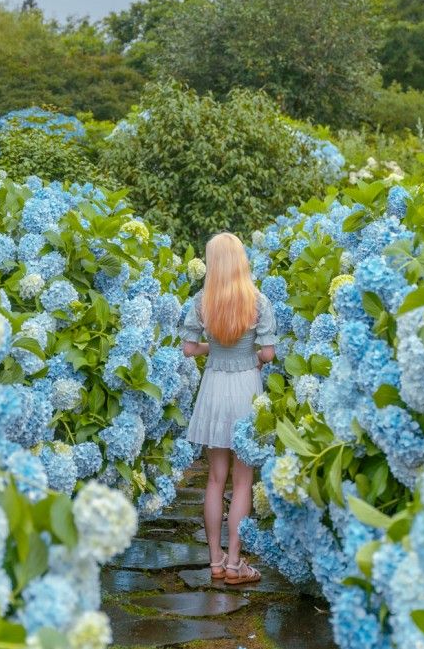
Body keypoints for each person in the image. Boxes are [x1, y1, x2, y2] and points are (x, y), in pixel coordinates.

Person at [180, 232, 277, 585]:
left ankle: (215, 562)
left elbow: (189, 349)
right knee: (243, 479)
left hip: (214, 387)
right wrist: (249, 354)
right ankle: (236, 563)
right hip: (245, 389)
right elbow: (267, 354)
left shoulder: (202, 302)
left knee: (215, 479)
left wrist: (215, 350)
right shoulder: (258, 301)